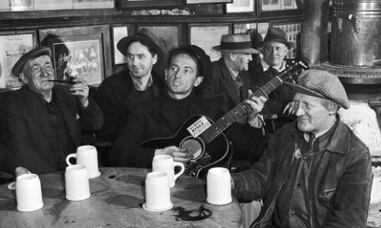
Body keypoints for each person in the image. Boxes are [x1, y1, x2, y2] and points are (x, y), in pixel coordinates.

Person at [208, 70, 373, 228]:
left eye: (308, 106)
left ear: (331, 108)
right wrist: (230, 182)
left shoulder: (354, 156)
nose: (297, 113)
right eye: (297, 104)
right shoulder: (286, 135)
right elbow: (260, 178)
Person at [108, 45, 267, 171]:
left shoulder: (211, 111)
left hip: (198, 189)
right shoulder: (143, 110)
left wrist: (253, 119)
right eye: (174, 68)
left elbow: (250, 150)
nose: (177, 75)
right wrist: (160, 154)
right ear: (165, 74)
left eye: (187, 71)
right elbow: (117, 154)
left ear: (197, 80)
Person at [0, 46, 103, 175]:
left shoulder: (66, 94)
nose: (45, 73)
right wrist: (53, 178)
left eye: (48, 67)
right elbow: (21, 150)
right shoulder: (13, 103)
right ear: (24, 78)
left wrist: (85, 102)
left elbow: (96, 125)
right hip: (43, 176)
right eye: (36, 68)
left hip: (75, 170)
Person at [94, 31, 165, 143]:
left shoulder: (163, 85)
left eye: (141, 57)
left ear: (154, 59)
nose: (134, 63)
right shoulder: (110, 87)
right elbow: (106, 133)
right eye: (130, 56)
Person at [200, 33, 259, 119]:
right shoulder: (212, 72)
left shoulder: (245, 75)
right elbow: (203, 108)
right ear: (232, 56)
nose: (251, 58)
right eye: (247, 54)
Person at [251, 27, 299, 132]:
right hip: (265, 128)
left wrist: (299, 101)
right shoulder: (252, 73)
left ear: (286, 51)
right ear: (262, 50)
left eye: (278, 48)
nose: (273, 53)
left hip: (295, 125)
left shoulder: (296, 69)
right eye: (269, 48)